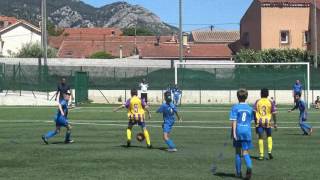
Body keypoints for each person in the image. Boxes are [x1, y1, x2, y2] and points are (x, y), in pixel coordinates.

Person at [230, 89, 253, 179]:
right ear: (246, 97)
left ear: (237, 97)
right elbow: (250, 120)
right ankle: (249, 166)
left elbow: (234, 121)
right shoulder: (250, 108)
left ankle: (239, 173)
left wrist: (233, 133)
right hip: (247, 131)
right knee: (246, 152)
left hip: (238, 131)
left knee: (237, 152)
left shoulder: (235, 107)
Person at [254, 88, 277, 160]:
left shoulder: (257, 101)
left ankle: (261, 155)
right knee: (269, 136)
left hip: (259, 122)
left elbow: (254, 112)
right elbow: (274, 113)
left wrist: (255, 122)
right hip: (268, 122)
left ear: (261, 94)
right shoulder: (270, 102)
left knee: (260, 137)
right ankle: (269, 151)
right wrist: (275, 123)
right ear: (268, 94)